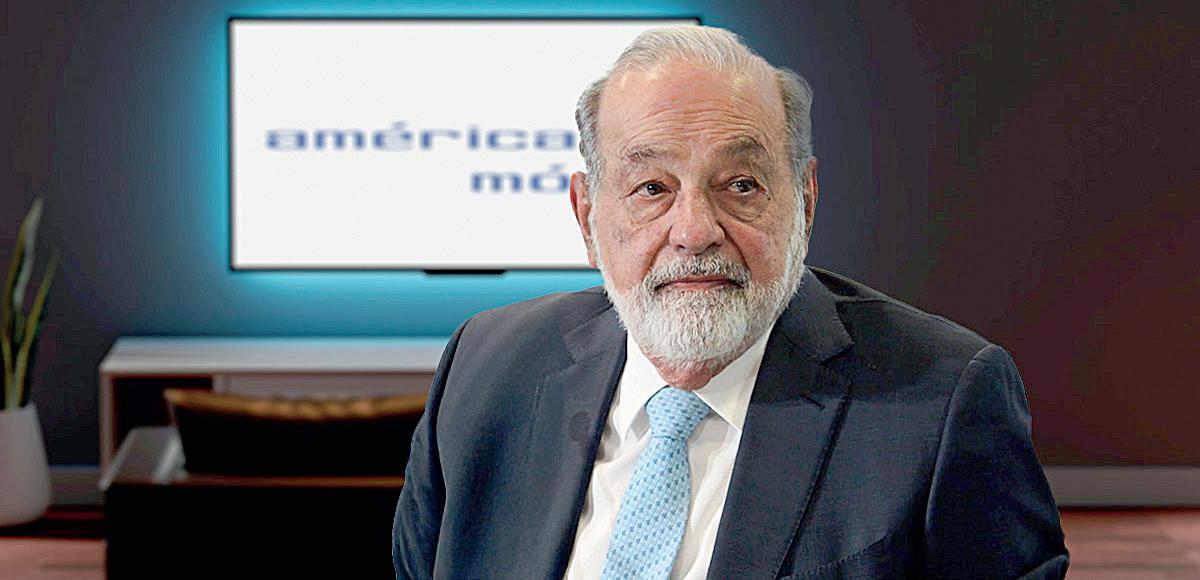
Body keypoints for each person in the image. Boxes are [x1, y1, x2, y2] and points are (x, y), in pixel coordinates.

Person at [393, 25, 1068, 579]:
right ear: (586, 217)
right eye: (652, 188)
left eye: (740, 185)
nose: (694, 231)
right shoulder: (486, 369)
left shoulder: (941, 401)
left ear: (805, 202)